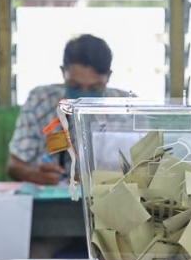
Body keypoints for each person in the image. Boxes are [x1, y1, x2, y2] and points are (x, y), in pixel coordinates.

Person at [7, 34, 129, 184]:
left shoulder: (126, 109)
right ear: (63, 72)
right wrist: (35, 174)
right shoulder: (40, 101)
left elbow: (145, 168)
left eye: (94, 87)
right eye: (75, 86)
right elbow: (14, 165)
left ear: (108, 77)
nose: (83, 95)